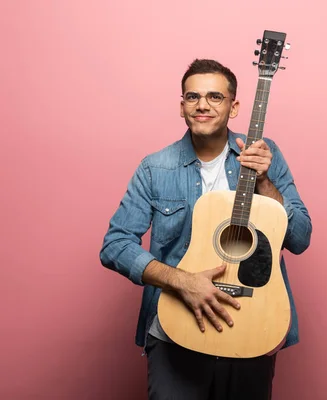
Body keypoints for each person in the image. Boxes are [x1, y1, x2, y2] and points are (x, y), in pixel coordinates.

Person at [99, 58, 312, 399]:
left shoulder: (262, 156)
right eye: (192, 97)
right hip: (176, 328)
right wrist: (184, 282)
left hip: (253, 323)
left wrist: (264, 182)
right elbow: (115, 245)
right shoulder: (155, 168)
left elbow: (299, 238)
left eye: (215, 97)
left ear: (235, 106)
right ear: (182, 106)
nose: (202, 105)